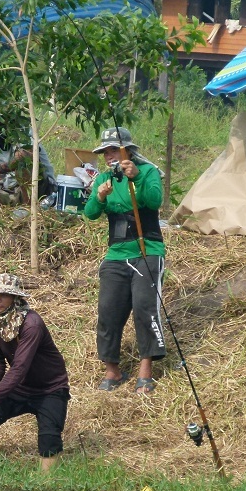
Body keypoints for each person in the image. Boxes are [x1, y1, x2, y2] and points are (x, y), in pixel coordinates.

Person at [83, 127, 166, 395]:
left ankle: (146, 370)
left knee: (144, 308)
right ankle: (113, 371)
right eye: (105, 151)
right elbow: (91, 214)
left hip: (147, 250)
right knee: (108, 311)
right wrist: (100, 197)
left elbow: (154, 201)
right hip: (116, 254)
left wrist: (137, 177)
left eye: (113, 150)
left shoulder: (147, 172)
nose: (108, 156)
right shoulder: (103, 179)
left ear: (127, 151)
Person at [0, 274, 70, 472]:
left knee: (49, 439)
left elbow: (20, 367)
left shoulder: (32, 324)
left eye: (3, 295)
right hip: (19, 386)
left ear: (15, 298)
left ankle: (47, 487)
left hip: (50, 389)